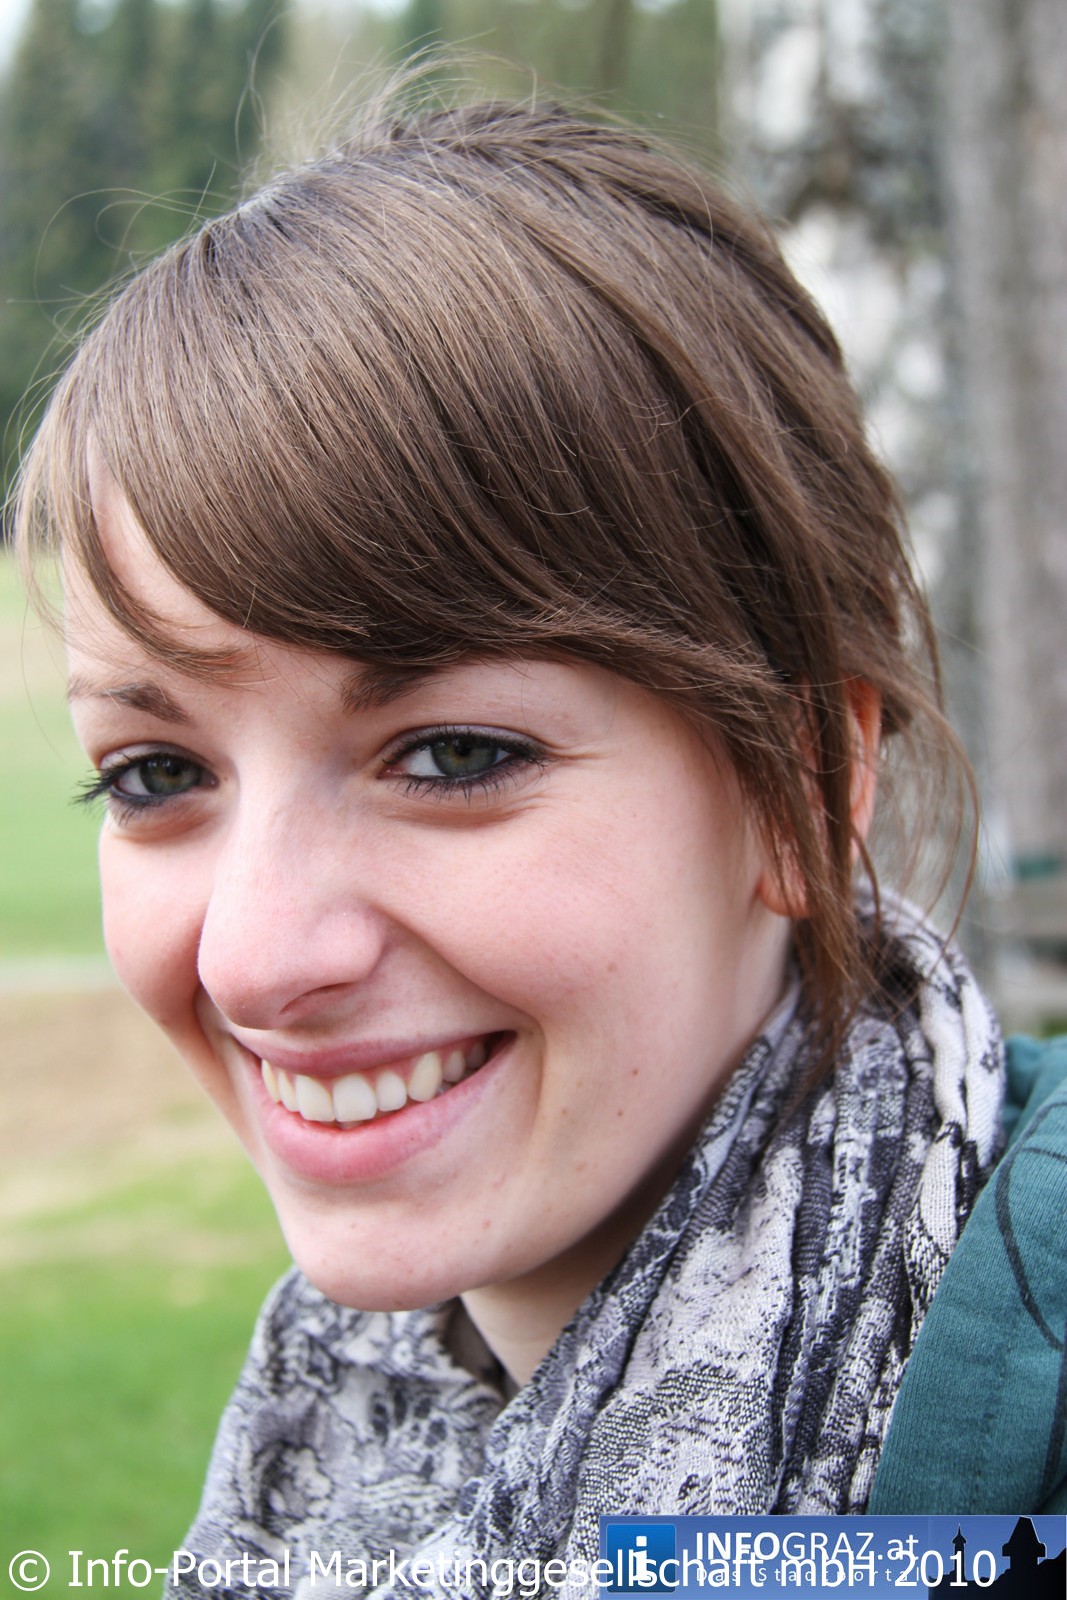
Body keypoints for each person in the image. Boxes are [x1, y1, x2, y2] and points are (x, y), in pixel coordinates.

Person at [14, 93, 1008, 1596]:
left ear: (804, 784)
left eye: (456, 755)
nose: (255, 961)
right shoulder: (317, 1454)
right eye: (156, 775)